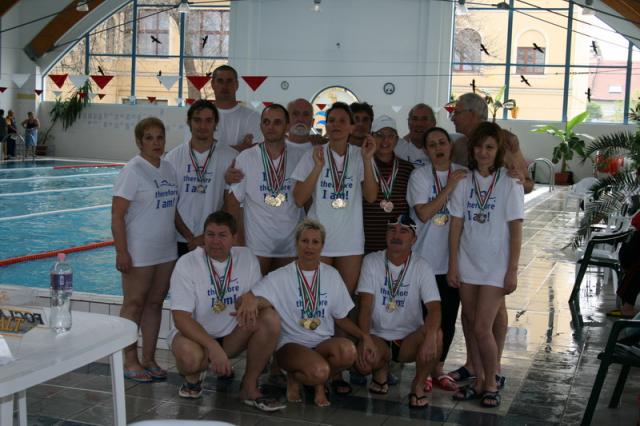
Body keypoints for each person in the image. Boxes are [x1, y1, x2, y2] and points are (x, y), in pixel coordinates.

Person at [238, 219, 377, 407]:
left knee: (348, 352)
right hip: (291, 345)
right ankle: (311, 380)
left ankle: (303, 378)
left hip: (322, 344)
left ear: (322, 246)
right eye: (304, 241)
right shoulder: (281, 276)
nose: (309, 247)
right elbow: (255, 298)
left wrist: (364, 336)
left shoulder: (331, 275)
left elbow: (341, 318)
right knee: (319, 371)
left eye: (315, 242)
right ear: (296, 243)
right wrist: (249, 300)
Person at [447, 92, 532, 386]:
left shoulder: (509, 179)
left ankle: (491, 378)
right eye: (479, 147)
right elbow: (456, 225)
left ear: (498, 150)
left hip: (496, 264)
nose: (483, 152)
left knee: (484, 325)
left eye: (489, 147)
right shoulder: (463, 179)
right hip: (469, 261)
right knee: (471, 322)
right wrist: (453, 264)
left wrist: (512, 269)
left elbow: (517, 226)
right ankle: (478, 374)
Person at [167, 211, 285, 411]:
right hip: (194, 338)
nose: (215, 241)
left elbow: (267, 298)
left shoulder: (246, 258)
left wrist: (254, 300)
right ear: (203, 237)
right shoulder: (187, 263)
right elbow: (180, 318)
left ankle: (249, 387)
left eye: (222, 235)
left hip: (232, 336)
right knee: (189, 359)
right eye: (210, 234)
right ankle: (193, 377)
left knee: (270, 319)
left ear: (234, 238)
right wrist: (212, 346)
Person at [111, 117, 178, 382]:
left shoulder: (169, 168)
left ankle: (148, 358)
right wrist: (121, 251)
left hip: (166, 249)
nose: (155, 142)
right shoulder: (133, 170)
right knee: (134, 304)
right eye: (149, 138)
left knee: (154, 303)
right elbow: (117, 215)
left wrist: (189, 236)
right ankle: (129, 360)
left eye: (159, 137)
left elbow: (172, 209)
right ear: (139, 142)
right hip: (139, 249)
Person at [356, 214, 442, 408]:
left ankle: (418, 384)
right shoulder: (371, 261)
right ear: (385, 235)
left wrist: (430, 337)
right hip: (378, 336)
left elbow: (435, 308)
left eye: (403, 231)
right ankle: (380, 372)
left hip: (408, 340)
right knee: (364, 364)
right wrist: (364, 339)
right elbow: (365, 306)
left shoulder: (422, 266)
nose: (396, 235)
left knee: (436, 336)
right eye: (392, 230)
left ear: (414, 239)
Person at [291, 102, 378, 295]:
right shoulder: (313, 154)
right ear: (326, 125)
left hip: (350, 239)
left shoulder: (360, 155)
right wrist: (317, 167)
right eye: (331, 120)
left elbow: (371, 196)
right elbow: (299, 199)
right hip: (317, 239)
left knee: (344, 299)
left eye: (342, 121)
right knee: (316, 296)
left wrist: (367, 160)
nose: (335, 124)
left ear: (351, 127)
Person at [407, 126, 467, 393]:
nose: (438, 148)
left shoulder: (464, 174)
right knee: (424, 319)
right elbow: (424, 213)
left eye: (442, 142)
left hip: (453, 261)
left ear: (450, 146)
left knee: (448, 317)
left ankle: (438, 369)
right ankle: (424, 368)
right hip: (424, 259)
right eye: (432, 145)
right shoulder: (419, 176)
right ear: (425, 150)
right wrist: (449, 187)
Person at [226, 104, 306, 275]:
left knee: (285, 291)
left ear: (287, 126)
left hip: (290, 244)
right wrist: (238, 241)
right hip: (257, 244)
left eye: (277, 122)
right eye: (266, 122)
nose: (271, 127)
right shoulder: (246, 158)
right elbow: (233, 203)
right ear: (261, 125)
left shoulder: (300, 157)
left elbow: (308, 200)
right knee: (254, 290)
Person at [165, 100, 237, 257]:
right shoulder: (173, 158)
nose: (202, 126)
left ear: (215, 123)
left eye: (208, 120)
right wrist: (189, 236)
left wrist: (205, 235)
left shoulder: (231, 157)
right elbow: (170, 203)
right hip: (179, 238)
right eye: (197, 120)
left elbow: (230, 203)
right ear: (189, 123)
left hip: (214, 239)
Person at [363, 115, 414, 253]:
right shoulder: (363, 165)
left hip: (397, 242)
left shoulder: (408, 169)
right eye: (379, 135)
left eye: (390, 135)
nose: (385, 140)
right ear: (371, 138)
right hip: (367, 240)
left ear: (396, 140)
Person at [210, 65, 262, 152]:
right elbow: (198, 150)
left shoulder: (253, 116)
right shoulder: (200, 117)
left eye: (229, 81)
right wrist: (241, 148)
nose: (224, 86)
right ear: (212, 85)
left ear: (236, 85)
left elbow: (257, 152)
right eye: (220, 81)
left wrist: (213, 148)